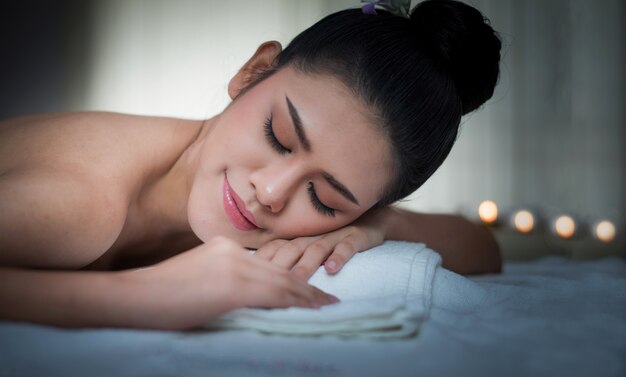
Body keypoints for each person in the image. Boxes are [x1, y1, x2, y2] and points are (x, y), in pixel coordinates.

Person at [0, 0, 502, 330]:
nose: (272, 192)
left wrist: (378, 226)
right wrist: (136, 296)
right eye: (277, 137)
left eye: (324, 199)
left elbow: (483, 248)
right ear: (253, 72)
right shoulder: (78, 206)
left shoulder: (349, 217)